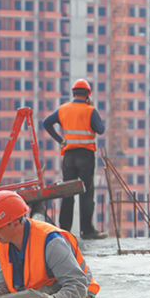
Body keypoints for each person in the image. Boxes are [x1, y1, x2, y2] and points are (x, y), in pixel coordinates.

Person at [43, 79, 107, 240]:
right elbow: (100, 130)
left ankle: (64, 230)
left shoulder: (63, 109)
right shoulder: (89, 110)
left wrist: (61, 141)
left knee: (68, 192)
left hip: (69, 155)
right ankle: (87, 230)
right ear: (87, 95)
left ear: (73, 93)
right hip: (85, 155)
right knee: (86, 192)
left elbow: (46, 123)